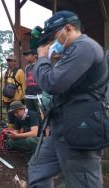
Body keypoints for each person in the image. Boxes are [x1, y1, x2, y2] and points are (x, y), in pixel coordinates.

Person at [30, 11, 107, 187]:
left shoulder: (84, 47)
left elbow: (51, 83)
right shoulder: (72, 51)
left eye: (53, 37)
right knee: (38, 167)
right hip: (63, 126)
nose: (51, 43)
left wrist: (42, 58)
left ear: (69, 28)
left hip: (80, 126)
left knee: (82, 180)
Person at [2, 55, 26, 128]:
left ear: (15, 62)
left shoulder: (20, 71)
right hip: (7, 98)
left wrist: (24, 98)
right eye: (8, 61)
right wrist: (3, 98)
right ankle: (11, 132)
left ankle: (20, 132)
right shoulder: (5, 73)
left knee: (19, 116)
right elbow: (3, 86)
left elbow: (23, 85)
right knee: (10, 117)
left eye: (11, 60)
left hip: (17, 98)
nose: (9, 62)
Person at [23, 49, 42, 115]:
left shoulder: (40, 65)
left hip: (39, 95)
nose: (26, 57)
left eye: (28, 55)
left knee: (40, 114)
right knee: (30, 114)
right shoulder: (27, 67)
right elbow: (25, 81)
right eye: (25, 55)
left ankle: (42, 125)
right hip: (28, 95)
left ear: (35, 56)